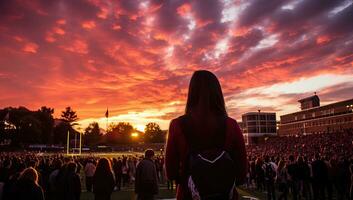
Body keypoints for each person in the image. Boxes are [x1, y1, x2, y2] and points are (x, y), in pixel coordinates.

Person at [165, 70, 248, 200]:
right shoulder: (231, 125)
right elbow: (242, 174)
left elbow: (170, 173)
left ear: (191, 93)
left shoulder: (177, 125)